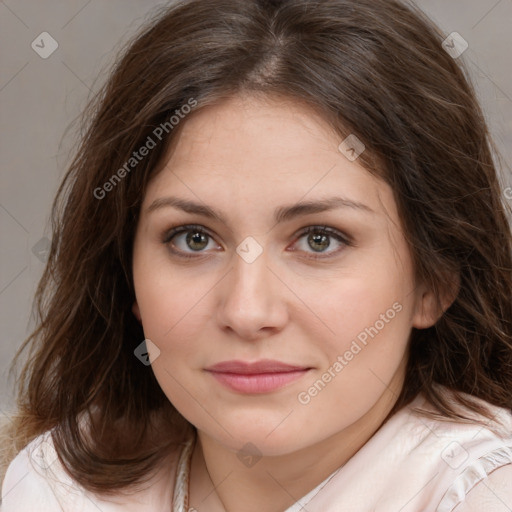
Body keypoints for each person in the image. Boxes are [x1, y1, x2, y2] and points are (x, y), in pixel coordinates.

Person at [1, 0, 512, 510]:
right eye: (193, 239)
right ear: (126, 273)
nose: (247, 312)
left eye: (319, 239)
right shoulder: (56, 485)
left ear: (435, 280)